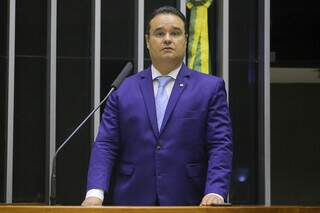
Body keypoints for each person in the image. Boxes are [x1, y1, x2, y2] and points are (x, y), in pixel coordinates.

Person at [82, 6, 232, 206]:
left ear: (185, 40)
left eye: (175, 33)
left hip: (190, 200)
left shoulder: (210, 88)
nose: (167, 39)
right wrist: (95, 194)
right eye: (160, 33)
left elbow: (219, 145)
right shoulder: (123, 89)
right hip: (132, 201)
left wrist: (215, 191)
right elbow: (106, 144)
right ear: (147, 41)